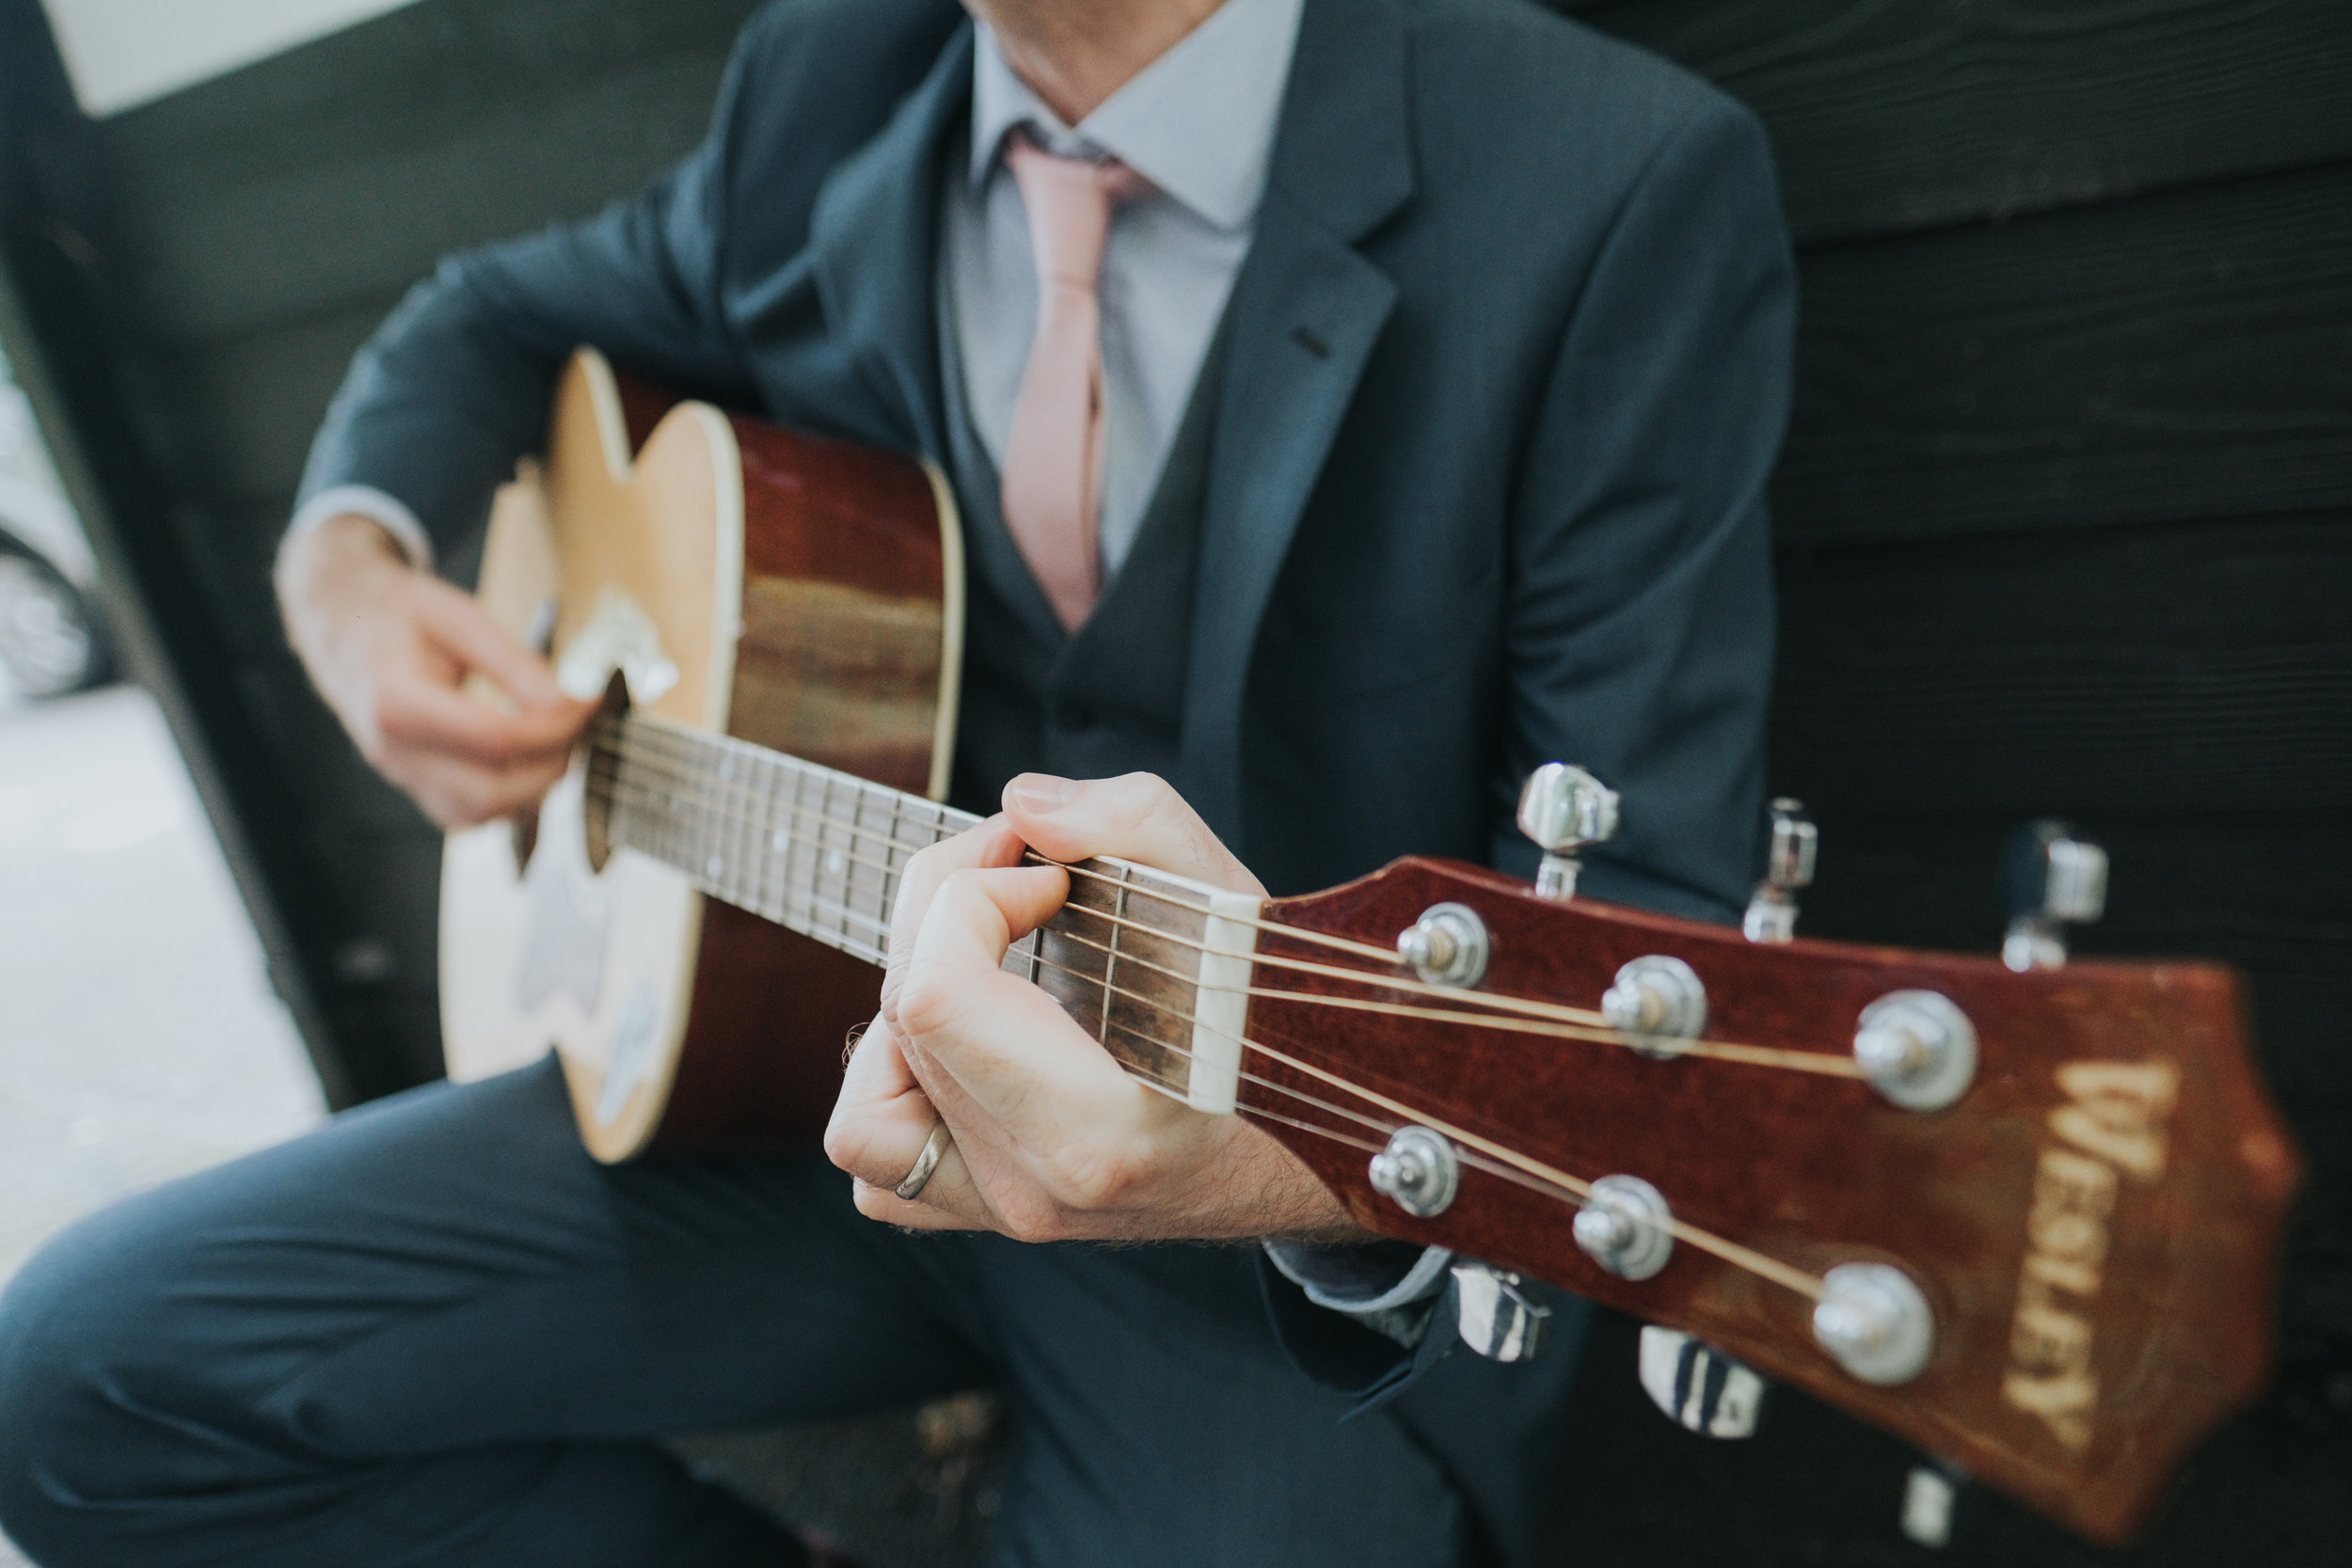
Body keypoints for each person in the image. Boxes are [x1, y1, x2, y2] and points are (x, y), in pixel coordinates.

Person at [0, 0, 1792, 1562]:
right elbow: (487, 314)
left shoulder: (1605, 178)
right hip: (816, 1100)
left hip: (1268, 1239)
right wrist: (351, 573)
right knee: (80, 1383)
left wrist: (1281, 1173)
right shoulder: (835, 76)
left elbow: (1645, 956)